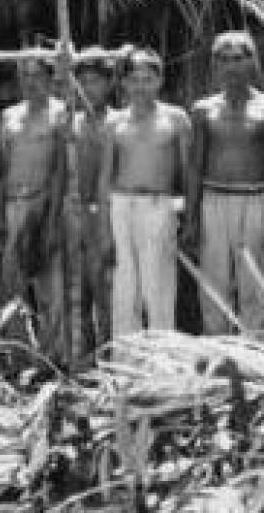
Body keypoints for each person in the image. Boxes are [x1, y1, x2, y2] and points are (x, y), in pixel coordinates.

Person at [187, 32, 264, 336]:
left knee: (253, 283)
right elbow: (195, 166)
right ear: (215, 65)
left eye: (238, 58)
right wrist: (192, 217)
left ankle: (253, 350)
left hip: (255, 199)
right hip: (214, 199)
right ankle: (217, 351)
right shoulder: (203, 109)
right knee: (214, 282)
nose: (231, 66)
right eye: (224, 59)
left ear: (251, 62)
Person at [98, 48, 192, 339]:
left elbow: (188, 173)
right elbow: (105, 177)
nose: (141, 86)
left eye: (148, 78)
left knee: (159, 285)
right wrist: (104, 227)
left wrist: (190, 215)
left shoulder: (175, 119)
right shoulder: (114, 122)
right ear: (124, 83)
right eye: (134, 79)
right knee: (125, 287)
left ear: (159, 80)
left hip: (158, 206)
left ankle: (162, 363)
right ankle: (127, 362)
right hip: (121, 206)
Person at [0, 57, 69, 361]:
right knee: (11, 284)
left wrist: (52, 215)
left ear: (50, 79)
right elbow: (2, 166)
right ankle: (19, 353)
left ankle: (54, 355)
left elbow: (61, 169)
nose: (31, 82)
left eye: (37, 75)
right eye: (25, 76)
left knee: (50, 284)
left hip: (45, 203)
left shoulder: (61, 113)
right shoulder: (8, 115)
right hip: (12, 203)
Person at [63, 48, 116, 366]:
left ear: (109, 83)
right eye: (81, 81)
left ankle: (111, 356)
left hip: (107, 214)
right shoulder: (70, 124)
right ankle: (82, 360)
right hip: (74, 214)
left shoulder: (117, 123)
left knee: (106, 291)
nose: (87, 89)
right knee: (76, 291)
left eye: (94, 81)